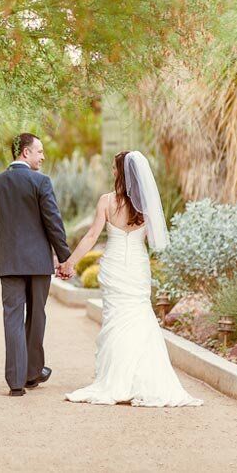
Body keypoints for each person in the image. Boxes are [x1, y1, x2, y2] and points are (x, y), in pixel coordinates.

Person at [60, 150, 203, 407]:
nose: (113, 172)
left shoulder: (106, 201)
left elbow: (92, 236)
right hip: (136, 267)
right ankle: (142, 380)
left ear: (122, 174)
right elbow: (152, 239)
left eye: (115, 169)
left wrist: (71, 262)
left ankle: (115, 379)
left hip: (115, 266)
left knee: (115, 320)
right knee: (139, 317)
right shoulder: (146, 207)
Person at [0, 133, 71, 397]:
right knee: (36, 316)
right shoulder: (40, 182)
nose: (42, 157)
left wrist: (4, 255)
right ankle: (32, 373)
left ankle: (16, 381)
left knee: (12, 318)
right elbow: (53, 223)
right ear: (24, 153)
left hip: (9, 262)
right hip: (37, 263)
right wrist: (64, 256)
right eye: (39, 151)